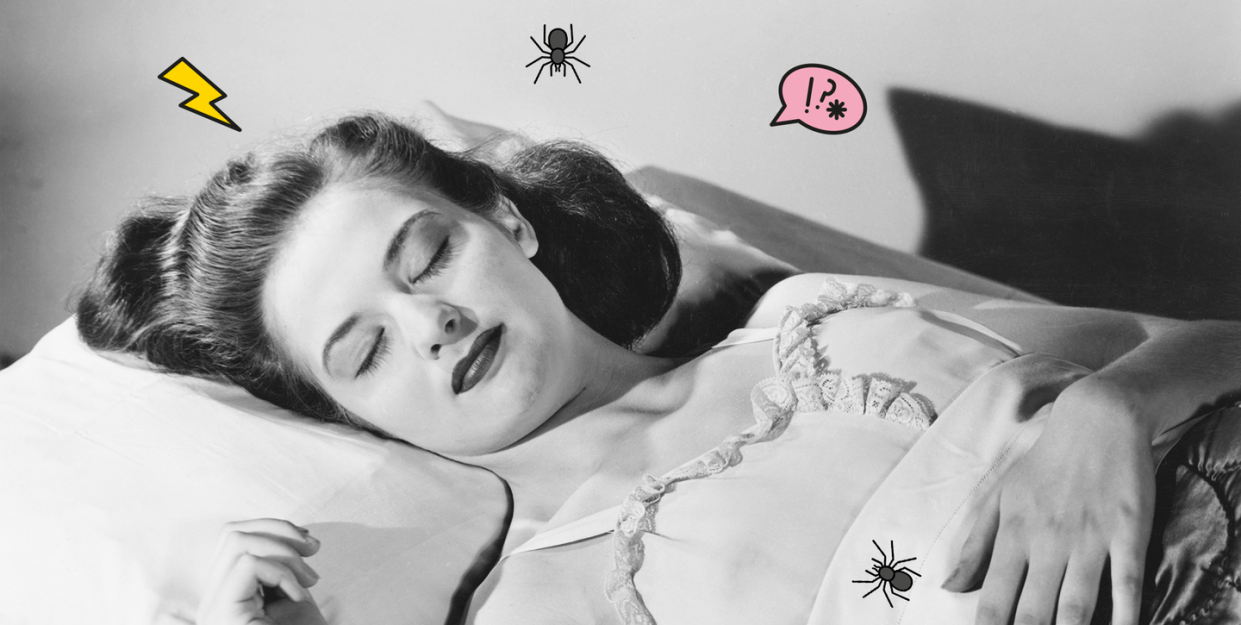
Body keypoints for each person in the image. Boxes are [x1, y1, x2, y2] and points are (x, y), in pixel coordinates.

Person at [77, 113, 1241, 625]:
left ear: (504, 219)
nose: (427, 323)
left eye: (423, 254)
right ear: (350, 415)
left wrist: (1108, 406)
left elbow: (1205, 346)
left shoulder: (815, 314)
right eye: (366, 349)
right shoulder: (535, 601)